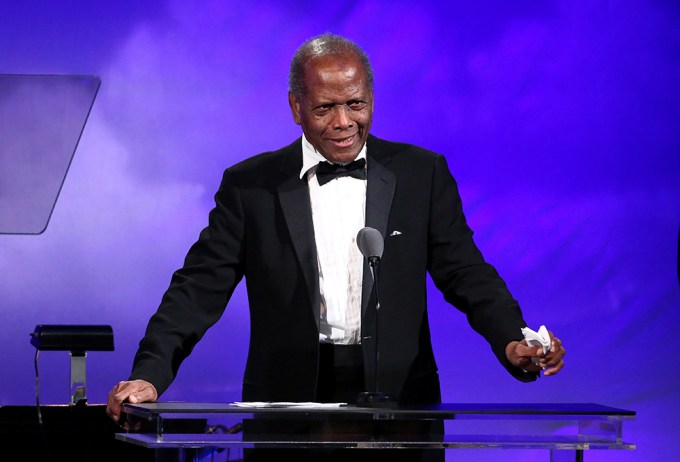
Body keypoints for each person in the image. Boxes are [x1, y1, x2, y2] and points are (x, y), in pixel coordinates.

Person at [106, 33, 566, 461]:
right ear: (296, 106)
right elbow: (198, 288)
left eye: (356, 104)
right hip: (288, 407)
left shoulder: (421, 174)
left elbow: (465, 271)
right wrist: (150, 373)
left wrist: (513, 338)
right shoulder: (251, 186)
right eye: (326, 108)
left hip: (401, 406)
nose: (344, 122)